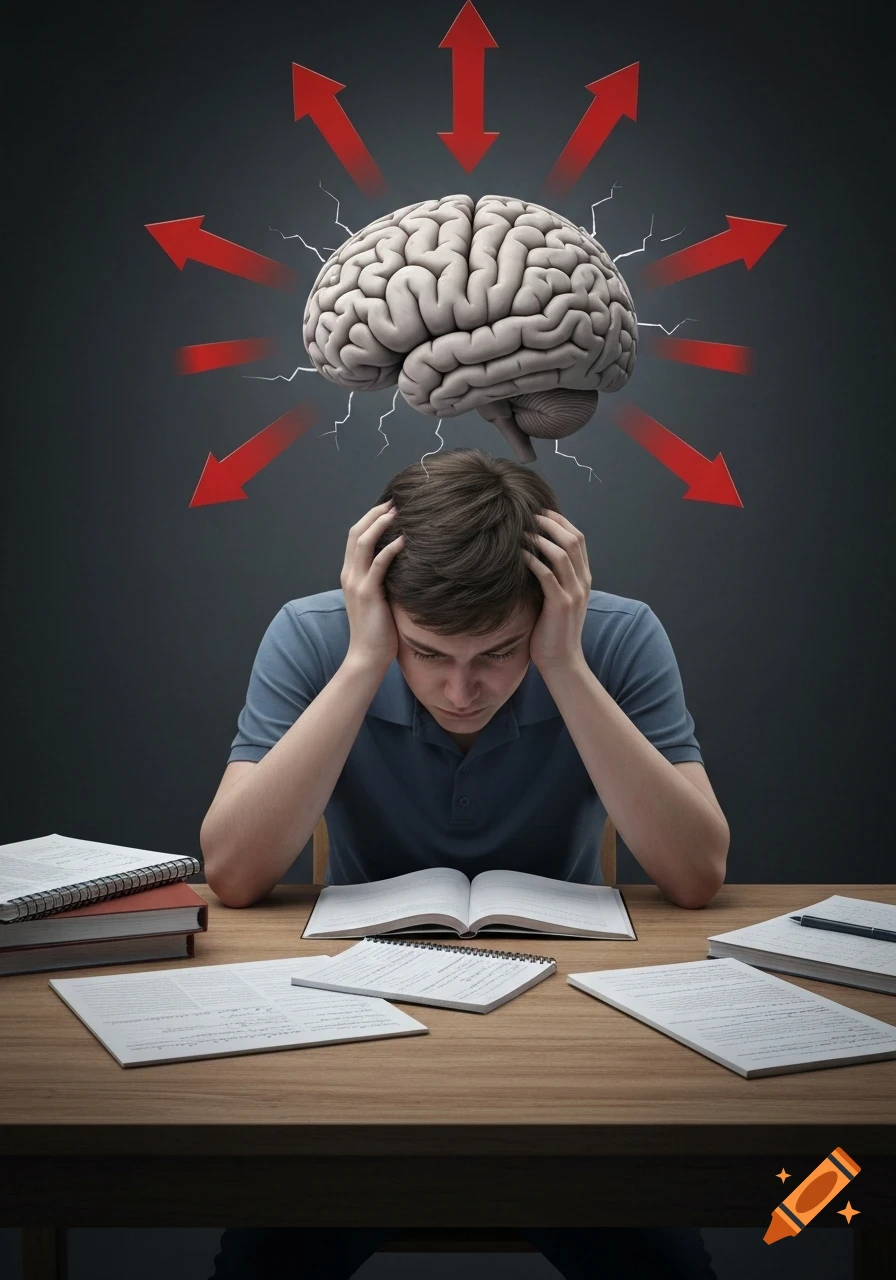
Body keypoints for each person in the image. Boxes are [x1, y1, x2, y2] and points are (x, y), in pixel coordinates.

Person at [200, 447, 728, 1278]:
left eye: (496, 653)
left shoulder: (616, 637)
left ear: (550, 607)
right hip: (354, 1022)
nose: (459, 692)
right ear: (380, 605)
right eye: (429, 653)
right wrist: (365, 659)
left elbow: (696, 875)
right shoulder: (315, 637)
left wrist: (562, 662)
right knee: (265, 1262)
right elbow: (232, 873)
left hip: (571, 1031)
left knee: (660, 1265)